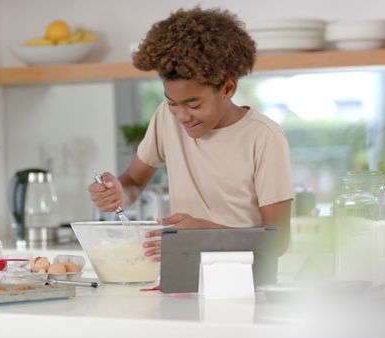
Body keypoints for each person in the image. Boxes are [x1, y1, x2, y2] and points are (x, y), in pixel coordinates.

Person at [88, 7, 294, 260]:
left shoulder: (263, 136)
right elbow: (133, 180)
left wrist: (205, 234)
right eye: (173, 103)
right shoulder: (166, 117)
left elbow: (278, 240)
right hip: (182, 276)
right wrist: (118, 191)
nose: (182, 116)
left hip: (244, 281)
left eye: (194, 105)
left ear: (228, 88)